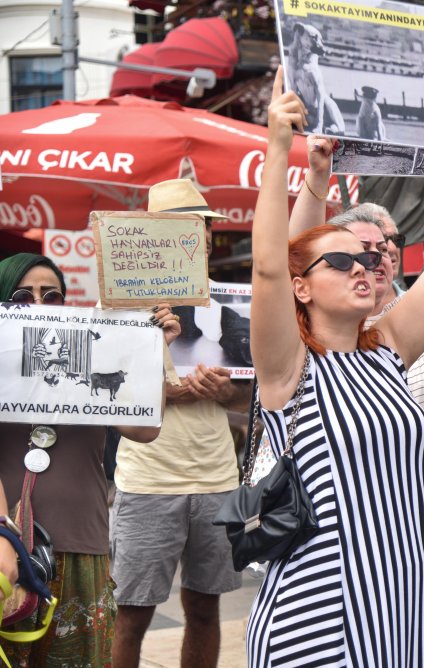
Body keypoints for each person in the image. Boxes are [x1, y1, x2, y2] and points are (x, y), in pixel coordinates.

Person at [244, 68, 424, 664]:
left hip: (411, 601)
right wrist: (283, 150)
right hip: (319, 607)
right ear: (302, 290)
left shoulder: (388, 347)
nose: (362, 266)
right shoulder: (288, 367)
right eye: (341, 260)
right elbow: (270, 266)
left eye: (369, 258)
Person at [289, 132, 424, 534]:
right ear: (305, 284)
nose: (374, 259)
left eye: (385, 247)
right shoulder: (300, 344)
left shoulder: (395, 339)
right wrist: (312, 175)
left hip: (413, 519)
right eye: (352, 254)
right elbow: (283, 263)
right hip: (329, 534)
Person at [0, 253, 178, 667]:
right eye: (24, 295)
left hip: (81, 540)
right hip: (7, 546)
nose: (40, 305)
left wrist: (152, 350)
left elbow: (143, 430)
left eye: (53, 296)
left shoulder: (96, 356)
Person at [111, 180, 252, 668]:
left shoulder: (230, 306)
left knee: (206, 608)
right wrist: (163, 389)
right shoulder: (120, 306)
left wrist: (226, 392)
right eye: (189, 226)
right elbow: (102, 395)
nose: (204, 236)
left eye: (207, 226)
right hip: (148, 479)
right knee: (131, 614)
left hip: (215, 477)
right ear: (155, 234)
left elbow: (252, 393)